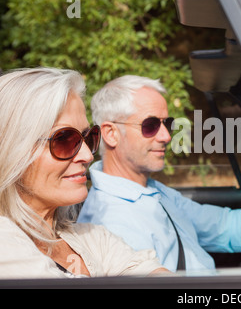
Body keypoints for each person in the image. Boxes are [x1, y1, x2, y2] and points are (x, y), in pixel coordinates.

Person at [77, 74, 241, 272]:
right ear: (110, 134)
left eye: (166, 123)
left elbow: (230, 227)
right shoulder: (109, 223)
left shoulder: (152, 191)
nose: (166, 136)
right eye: (150, 125)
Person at [0, 67, 170, 279]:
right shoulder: (5, 246)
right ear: (12, 151)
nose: (87, 155)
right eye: (64, 139)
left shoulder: (91, 237)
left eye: (89, 137)